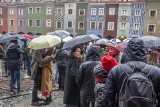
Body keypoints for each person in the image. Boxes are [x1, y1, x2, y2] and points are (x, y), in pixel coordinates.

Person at [98, 38, 160, 107]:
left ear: (127, 51)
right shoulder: (156, 71)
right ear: (144, 51)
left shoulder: (116, 70)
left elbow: (107, 99)